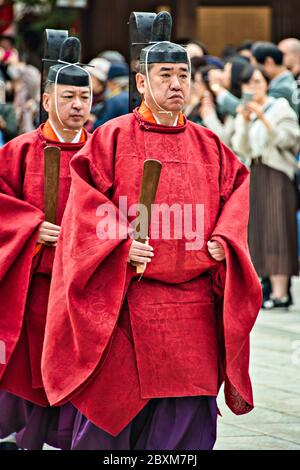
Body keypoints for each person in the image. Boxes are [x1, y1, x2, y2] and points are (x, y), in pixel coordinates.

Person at [42, 40, 262, 450]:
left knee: (187, 420)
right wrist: (120, 245)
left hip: (193, 307)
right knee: (111, 419)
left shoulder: (209, 143)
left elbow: (238, 191)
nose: (177, 84)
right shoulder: (111, 138)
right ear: (142, 82)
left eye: (183, 76)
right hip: (128, 299)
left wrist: (225, 239)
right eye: (165, 75)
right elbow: (85, 208)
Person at [0, 37, 91, 450]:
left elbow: (121, 207)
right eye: (68, 97)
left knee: (79, 368)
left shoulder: (102, 151)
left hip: (84, 287)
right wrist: (31, 226)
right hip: (33, 283)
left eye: (84, 97)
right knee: (27, 367)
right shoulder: (18, 151)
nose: (77, 105)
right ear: (47, 99)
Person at [232, 64, 300, 309]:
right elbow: (240, 147)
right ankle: (267, 288)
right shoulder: (244, 111)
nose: (254, 87)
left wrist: (263, 119)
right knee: (258, 231)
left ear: (267, 84)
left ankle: (282, 293)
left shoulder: (279, 107)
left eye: (258, 82)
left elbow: (291, 139)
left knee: (278, 231)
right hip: (256, 171)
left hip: (277, 173)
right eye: (248, 84)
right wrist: (247, 121)